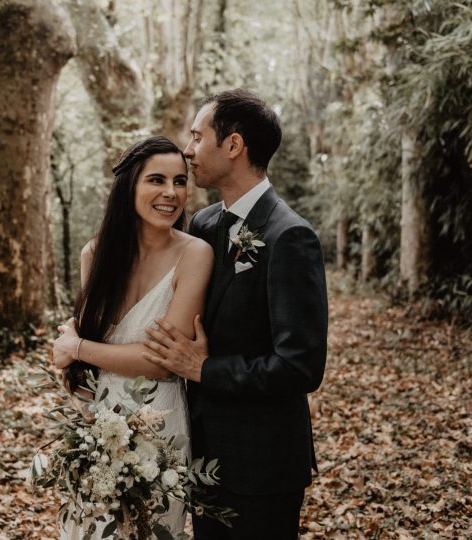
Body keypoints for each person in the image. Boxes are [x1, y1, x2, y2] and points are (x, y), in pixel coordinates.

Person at [143, 89, 328, 539]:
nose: (187, 150)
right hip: (202, 454)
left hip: (262, 464)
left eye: (197, 136)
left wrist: (204, 369)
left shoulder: (290, 237)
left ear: (233, 146)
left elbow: (301, 366)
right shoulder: (204, 224)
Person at [52, 135, 214, 538]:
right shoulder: (96, 253)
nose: (171, 193)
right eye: (156, 180)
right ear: (130, 187)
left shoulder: (195, 253)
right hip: (97, 419)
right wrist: (81, 391)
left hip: (160, 425)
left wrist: (78, 347)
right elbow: (80, 364)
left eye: (180, 181)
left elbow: (161, 362)